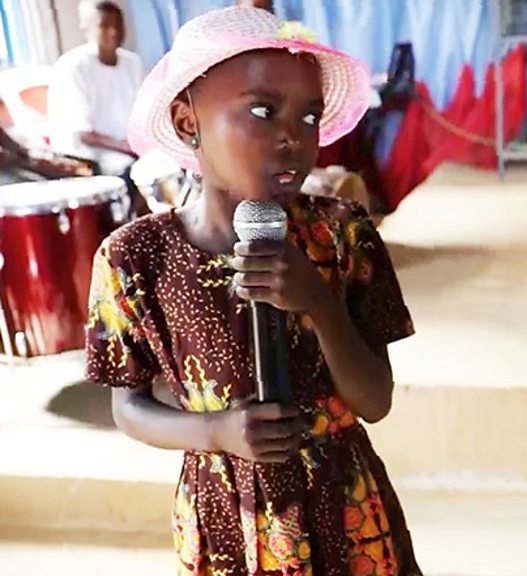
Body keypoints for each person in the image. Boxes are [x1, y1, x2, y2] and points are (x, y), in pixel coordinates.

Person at [84, 7, 421, 575]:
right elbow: (129, 406)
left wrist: (317, 301)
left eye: (310, 116)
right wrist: (214, 430)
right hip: (226, 514)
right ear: (188, 123)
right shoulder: (134, 258)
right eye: (263, 111)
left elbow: (374, 400)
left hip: (345, 508)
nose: (293, 136)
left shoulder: (343, 235)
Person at [47, 1, 144, 158]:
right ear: (86, 29)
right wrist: (127, 148)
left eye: (118, 25)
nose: (113, 32)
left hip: (129, 147)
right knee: (127, 169)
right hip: (89, 153)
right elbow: (84, 135)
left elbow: (144, 115)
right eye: (104, 25)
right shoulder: (73, 66)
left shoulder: (133, 63)